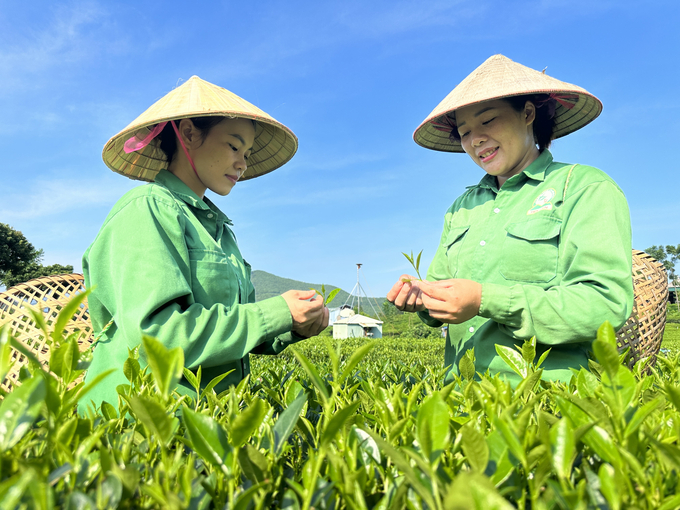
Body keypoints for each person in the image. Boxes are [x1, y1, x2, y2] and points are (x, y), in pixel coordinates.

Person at [81, 76, 328, 410]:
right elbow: (159, 338)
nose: (242, 162)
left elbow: (239, 323)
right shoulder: (147, 208)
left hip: (206, 419)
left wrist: (294, 324)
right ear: (188, 134)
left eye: (247, 152)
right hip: (141, 424)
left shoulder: (219, 229)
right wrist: (277, 311)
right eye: (233, 146)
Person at [387, 55, 633, 385]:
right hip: (461, 400)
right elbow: (441, 295)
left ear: (528, 113)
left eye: (488, 121)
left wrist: (485, 300)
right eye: (464, 132)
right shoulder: (462, 208)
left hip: (547, 403)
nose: (475, 140)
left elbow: (604, 305)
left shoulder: (583, 188)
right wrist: (420, 297)